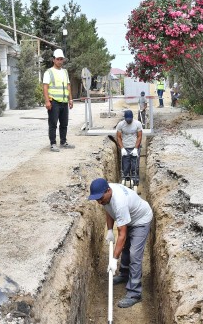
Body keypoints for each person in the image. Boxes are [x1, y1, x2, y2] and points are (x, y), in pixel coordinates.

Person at [88, 178, 153, 308]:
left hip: (141, 220)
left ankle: (135, 293)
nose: (99, 202)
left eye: (100, 198)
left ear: (108, 191)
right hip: (130, 218)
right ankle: (124, 275)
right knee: (126, 247)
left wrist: (114, 260)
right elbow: (109, 210)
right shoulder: (106, 194)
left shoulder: (120, 202)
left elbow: (122, 235)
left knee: (134, 253)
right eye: (97, 199)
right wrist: (110, 230)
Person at [43, 49, 74, 152]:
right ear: (53, 60)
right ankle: (53, 144)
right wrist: (47, 101)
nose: (60, 61)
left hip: (64, 102)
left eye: (61, 59)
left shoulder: (65, 72)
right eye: (58, 59)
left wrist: (70, 99)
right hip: (54, 102)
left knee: (64, 123)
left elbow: (68, 86)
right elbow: (45, 87)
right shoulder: (49, 72)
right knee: (53, 124)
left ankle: (63, 142)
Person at [116, 110, 143, 188]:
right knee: (126, 166)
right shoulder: (121, 125)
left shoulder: (137, 124)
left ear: (132, 118)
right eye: (127, 119)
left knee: (135, 166)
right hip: (125, 148)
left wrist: (136, 148)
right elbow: (118, 137)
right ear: (124, 118)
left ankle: (135, 182)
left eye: (130, 119)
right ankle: (126, 181)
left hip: (134, 147)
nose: (128, 121)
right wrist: (122, 148)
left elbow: (140, 136)